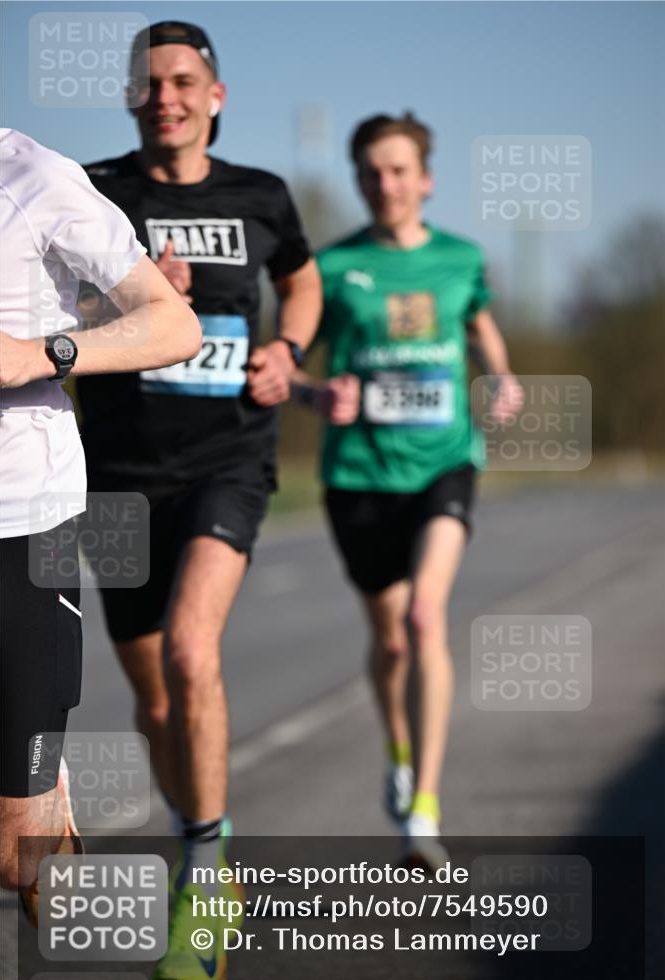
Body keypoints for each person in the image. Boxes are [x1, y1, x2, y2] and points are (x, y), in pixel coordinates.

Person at [75, 21, 321, 980]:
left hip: (229, 458)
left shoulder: (261, 195)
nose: (164, 96)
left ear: (215, 95)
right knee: (152, 699)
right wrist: (129, 307)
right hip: (117, 474)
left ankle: (206, 880)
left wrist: (287, 352)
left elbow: (299, 283)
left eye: (182, 81)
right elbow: (48, 313)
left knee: (191, 650)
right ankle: (199, 832)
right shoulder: (96, 194)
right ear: (131, 99)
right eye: (147, 83)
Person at [294, 112, 523, 869]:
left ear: (424, 178)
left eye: (398, 171)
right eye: (370, 173)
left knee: (427, 616)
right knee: (389, 637)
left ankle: (422, 809)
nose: (384, 185)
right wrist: (316, 394)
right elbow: (282, 366)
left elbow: (481, 327)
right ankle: (397, 750)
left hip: (443, 464)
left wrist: (502, 378)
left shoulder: (461, 259)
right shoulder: (329, 269)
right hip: (357, 475)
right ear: (359, 180)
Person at [0, 128, 200, 909]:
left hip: (22, 513)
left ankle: (46, 802)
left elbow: (173, 322)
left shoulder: (33, 174)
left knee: (19, 859)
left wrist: (43, 353)